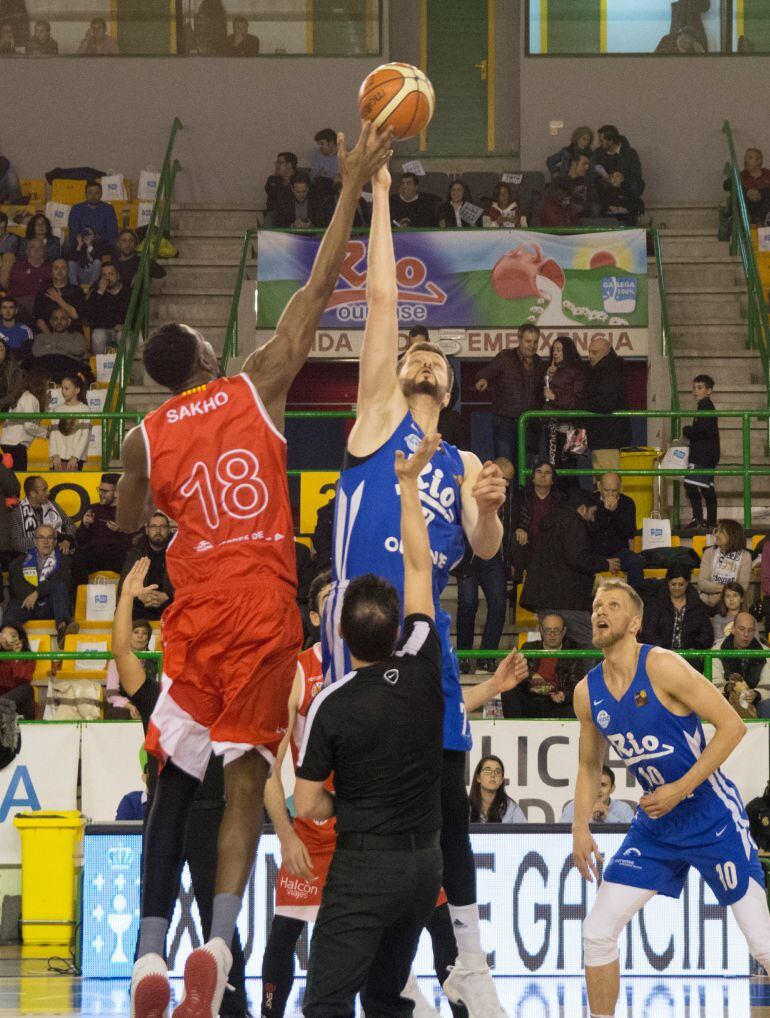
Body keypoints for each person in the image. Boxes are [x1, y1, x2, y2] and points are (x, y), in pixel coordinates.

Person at [120, 122, 393, 1018]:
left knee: (173, 779)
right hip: (267, 604)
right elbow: (320, 287)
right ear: (204, 358)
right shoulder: (255, 382)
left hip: (196, 605)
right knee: (245, 780)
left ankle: (151, 952)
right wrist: (350, 182)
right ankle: (221, 944)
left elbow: (128, 528)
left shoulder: (142, 440)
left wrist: (156, 538)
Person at [322, 161, 513, 1017]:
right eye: (415, 351)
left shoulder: (468, 460)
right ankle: (366, 957)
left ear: (449, 384)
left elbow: (483, 547)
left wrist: (488, 511)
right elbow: (385, 310)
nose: (422, 354)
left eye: (435, 356)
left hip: (424, 640)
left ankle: (461, 965)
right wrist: (383, 202)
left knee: (441, 811)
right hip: (361, 631)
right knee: (363, 806)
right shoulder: (376, 418)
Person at [300, 434, 527, 1017]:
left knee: (327, 997)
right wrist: (408, 484)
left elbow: (307, 804)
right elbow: (420, 566)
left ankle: (457, 963)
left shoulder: (331, 699)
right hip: (416, 868)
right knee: (447, 825)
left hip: (361, 858)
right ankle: (457, 960)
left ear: (342, 634)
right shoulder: (425, 656)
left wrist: (337, 808)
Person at [572, 579, 770, 1018]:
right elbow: (589, 766)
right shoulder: (587, 692)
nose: (600, 611)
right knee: (598, 931)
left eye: (613, 605)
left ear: (635, 622)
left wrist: (680, 789)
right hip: (657, 824)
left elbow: (733, 726)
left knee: (763, 944)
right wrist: (580, 827)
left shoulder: (662, 666)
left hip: (709, 814)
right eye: (596, 605)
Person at [112, 559, 250, 1016]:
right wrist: (126, 601)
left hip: (195, 816)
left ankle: (230, 1004)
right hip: (189, 816)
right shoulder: (161, 700)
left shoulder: (222, 699)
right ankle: (209, 1002)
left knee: (204, 933)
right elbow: (124, 657)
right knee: (204, 933)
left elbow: (124, 658)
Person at [521, 489, 620, 648]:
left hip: (544, 598)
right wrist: (605, 564)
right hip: (567, 599)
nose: (592, 518)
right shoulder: (574, 523)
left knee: (554, 647)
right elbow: (577, 557)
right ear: (582, 509)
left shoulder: (554, 521)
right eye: (592, 513)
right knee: (595, 642)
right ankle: (592, 674)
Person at [474, 324, 546, 467]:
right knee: (504, 466)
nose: (532, 345)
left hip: (530, 425)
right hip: (505, 422)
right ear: (519, 339)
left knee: (526, 469)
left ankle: (522, 491)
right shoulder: (505, 357)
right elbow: (487, 372)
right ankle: (504, 491)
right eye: (528, 341)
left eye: (535, 342)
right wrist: (483, 379)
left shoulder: (541, 365)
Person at [503, 612, 583, 719]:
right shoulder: (528, 648)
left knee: (574, 706)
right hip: (531, 699)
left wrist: (563, 694)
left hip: (556, 703)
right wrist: (531, 676)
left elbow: (576, 684)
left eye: (556, 630)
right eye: (548, 630)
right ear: (541, 630)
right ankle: (513, 730)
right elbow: (515, 674)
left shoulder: (573, 653)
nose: (552, 634)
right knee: (508, 692)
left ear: (564, 631)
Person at [6, 524, 72, 634]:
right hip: (27, 604)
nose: (45, 542)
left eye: (50, 538)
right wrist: (32, 596)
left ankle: (63, 629)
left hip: (51, 607)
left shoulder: (65, 561)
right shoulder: (19, 562)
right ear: (35, 542)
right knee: (13, 608)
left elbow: (62, 581)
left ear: (55, 542)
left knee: (60, 585)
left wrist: (37, 593)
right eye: (41, 537)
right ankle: (8, 641)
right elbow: (17, 585)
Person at [455, 537, 507, 675]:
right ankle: (463, 656)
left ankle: (486, 658)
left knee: (499, 604)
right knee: (468, 603)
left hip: (491, 551)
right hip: (466, 550)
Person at [73, 473, 132, 588]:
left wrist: (120, 531)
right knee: (78, 557)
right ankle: (80, 600)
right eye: (100, 490)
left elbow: (135, 543)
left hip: (117, 556)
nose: (100, 494)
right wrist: (85, 525)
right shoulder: (93, 509)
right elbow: (80, 541)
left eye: (105, 491)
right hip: (94, 556)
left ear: (117, 493)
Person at [583, 336, 631, 474]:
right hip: (608, 435)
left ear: (606, 352)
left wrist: (584, 403)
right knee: (606, 481)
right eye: (589, 352)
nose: (590, 356)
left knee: (607, 481)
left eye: (594, 352)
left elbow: (607, 402)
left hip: (606, 436)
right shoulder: (612, 370)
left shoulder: (606, 373)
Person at [588, 472, 644, 590]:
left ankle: (636, 600)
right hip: (595, 551)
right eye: (607, 490)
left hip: (618, 551)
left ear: (620, 488)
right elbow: (591, 529)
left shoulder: (628, 503)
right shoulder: (590, 501)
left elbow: (628, 532)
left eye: (614, 490)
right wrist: (605, 510)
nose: (610, 494)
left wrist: (615, 512)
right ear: (599, 487)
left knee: (636, 562)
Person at [640, 563, 713, 651]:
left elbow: (707, 633)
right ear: (667, 582)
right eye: (673, 584)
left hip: (690, 657)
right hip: (660, 656)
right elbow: (649, 632)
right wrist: (662, 650)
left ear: (687, 583)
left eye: (681, 584)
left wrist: (696, 647)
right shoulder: (655, 604)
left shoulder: (697, 605)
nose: (677, 588)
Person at [711, 612, 770, 719]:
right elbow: (713, 684)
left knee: (767, 706)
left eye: (750, 630)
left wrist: (757, 694)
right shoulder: (716, 651)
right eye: (741, 629)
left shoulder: (766, 653)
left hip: (756, 701)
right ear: (733, 629)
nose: (746, 634)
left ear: (755, 632)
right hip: (725, 698)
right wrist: (727, 688)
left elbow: (767, 685)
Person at [118, 513, 174, 621]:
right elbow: (123, 588)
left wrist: (169, 597)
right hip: (140, 606)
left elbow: (188, 586)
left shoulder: (179, 552)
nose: (158, 531)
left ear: (169, 530)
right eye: (153, 527)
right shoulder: (136, 552)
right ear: (147, 530)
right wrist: (139, 596)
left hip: (170, 606)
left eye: (162, 527)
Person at [541, 334, 584, 475]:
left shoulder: (576, 372)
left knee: (571, 470)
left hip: (572, 427)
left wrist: (554, 397)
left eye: (559, 349)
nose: (555, 353)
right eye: (553, 349)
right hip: (552, 426)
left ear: (568, 351)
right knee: (554, 469)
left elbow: (577, 401)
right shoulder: (549, 371)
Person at [682, 373, 720, 530]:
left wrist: (687, 430)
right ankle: (710, 522)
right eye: (694, 388)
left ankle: (698, 519)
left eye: (700, 388)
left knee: (690, 484)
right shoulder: (704, 406)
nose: (695, 391)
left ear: (709, 390)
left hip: (703, 454)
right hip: (708, 454)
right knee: (706, 487)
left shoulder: (705, 406)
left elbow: (702, 431)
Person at [9, 475, 75, 554]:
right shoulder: (17, 513)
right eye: (44, 490)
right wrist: (50, 540)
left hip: (59, 553)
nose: (48, 492)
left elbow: (70, 525)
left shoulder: (53, 505)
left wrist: (67, 540)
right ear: (33, 493)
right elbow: (17, 544)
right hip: (31, 557)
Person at [104, 618, 153, 719]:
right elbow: (112, 695)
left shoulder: (156, 661)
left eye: (144, 633)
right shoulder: (116, 661)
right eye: (136, 632)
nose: (140, 636)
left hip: (150, 705)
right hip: (126, 706)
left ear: (147, 639)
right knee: (115, 715)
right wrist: (130, 707)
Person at [698, 518, 752, 609]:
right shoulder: (709, 553)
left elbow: (742, 587)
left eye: (721, 532)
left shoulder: (745, 556)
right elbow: (702, 583)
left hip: (733, 603)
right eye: (716, 531)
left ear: (732, 535)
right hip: (707, 600)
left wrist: (720, 597)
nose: (716, 534)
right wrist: (725, 590)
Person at [1, 370, 49, 470]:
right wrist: (46, 433)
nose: (47, 388)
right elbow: (29, 425)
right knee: (18, 479)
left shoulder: (21, 396)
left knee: (10, 478)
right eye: (46, 384)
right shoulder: (30, 398)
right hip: (16, 445)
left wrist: (46, 403)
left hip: (8, 443)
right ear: (40, 385)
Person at [560, 765, 634, 824]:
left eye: (603, 785)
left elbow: (633, 837)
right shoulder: (573, 808)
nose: (598, 790)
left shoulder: (624, 810)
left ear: (612, 788)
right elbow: (561, 837)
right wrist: (590, 818)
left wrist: (607, 817)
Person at [31, 307, 89, 381]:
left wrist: (52, 346)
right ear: (51, 322)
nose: (59, 322)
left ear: (69, 321)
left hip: (69, 372)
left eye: (62, 318)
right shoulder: (41, 337)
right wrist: (66, 351)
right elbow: (36, 352)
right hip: (46, 371)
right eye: (55, 319)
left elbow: (78, 350)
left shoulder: (77, 336)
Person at [48, 372, 91, 471]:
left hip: (75, 460)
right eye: (62, 388)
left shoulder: (84, 410)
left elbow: (85, 436)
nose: (63, 391)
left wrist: (75, 457)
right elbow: (53, 434)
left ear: (77, 390)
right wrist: (55, 455)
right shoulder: (57, 409)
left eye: (67, 388)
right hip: (58, 458)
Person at [84, 263, 130, 354]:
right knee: (98, 335)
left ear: (118, 275)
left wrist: (123, 326)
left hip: (122, 330)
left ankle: (125, 367)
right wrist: (100, 292)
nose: (107, 277)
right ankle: (100, 367)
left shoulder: (126, 292)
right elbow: (88, 316)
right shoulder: (96, 293)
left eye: (111, 274)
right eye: (104, 275)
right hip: (103, 330)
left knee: (123, 336)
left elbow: (131, 314)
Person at [33, 257, 86, 334]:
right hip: (48, 336)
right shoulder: (43, 292)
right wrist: (52, 338)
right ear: (51, 271)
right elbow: (39, 320)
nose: (59, 270)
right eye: (56, 268)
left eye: (63, 267)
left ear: (68, 270)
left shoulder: (77, 291)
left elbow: (75, 315)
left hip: (72, 336)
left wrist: (58, 299)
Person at [593, 125, 644, 203]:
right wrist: (608, 179)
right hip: (605, 187)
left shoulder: (630, 153)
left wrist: (622, 179)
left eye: (601, 141)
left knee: (635, 186)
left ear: (610, 141)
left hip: (625, 187)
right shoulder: (597, 153)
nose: (599, 143)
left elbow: (636, 175)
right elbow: (593, 174)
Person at [469, 756, 526, 823]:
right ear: (478, 777)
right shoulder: (465, 807)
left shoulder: (512, 809)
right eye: (487, 770)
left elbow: (525, 832)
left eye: (498, 771)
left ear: (501, 780)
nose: (493, 775)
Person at [8, 237, 51, 318]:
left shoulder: (50, 268)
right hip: (21, 303)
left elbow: (50, 289)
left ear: (44, 251)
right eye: (33, 247)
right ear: (27, 251)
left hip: (43, 304)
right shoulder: (18, 267)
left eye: (40, 247)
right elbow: (14, 289)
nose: (36, 250)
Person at [67, 181, 119, 247]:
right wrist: (85, 238)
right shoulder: (76, 209)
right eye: (90, 193)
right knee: (68, 246)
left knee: (115, 243)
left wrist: (96, 238)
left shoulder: (108, 209)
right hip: (81, 243)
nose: (93, 196)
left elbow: (112, 232)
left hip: (103, 243)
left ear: (101, 194)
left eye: (97, 193)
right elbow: (73, 231)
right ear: (85, 194)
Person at [0, 624, 35, 720]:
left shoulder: (27, 656)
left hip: (19, 703)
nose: (8, 639)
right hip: (3, 701)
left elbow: (23, 680)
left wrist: (17, 657)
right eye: (4, 635)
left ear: (20, 639)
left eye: (13, 635)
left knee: (27, 689)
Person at [553, 152, 599, 222]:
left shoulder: (589, 183)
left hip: (584, 220)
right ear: (574, 164)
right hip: (562, 220)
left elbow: (594, 202)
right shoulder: (559, 182)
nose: (587, 167)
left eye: (588, 164)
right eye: (584, 164)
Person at [736, 148, 770, 226]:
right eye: (745, 158)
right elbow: (726, 186)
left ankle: (760, 220)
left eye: (750, 158)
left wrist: (759, 192)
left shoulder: (767, 174)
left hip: (765, 208)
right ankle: (748, 220)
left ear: (759, 160)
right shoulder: (741, 175)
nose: (746, 160)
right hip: (749, 206)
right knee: (740, 191)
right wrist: (748, 191)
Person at [264, 152, 298, 227]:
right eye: (276, 162)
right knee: (270, 218)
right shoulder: (272, 180)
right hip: (275, 213)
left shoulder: (300, 179)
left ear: (289, 165)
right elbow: (273, 195)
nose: (276, 165)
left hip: (295, 212)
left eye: (279, 162)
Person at [0, 211, 19, 289]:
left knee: (9, 256)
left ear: (3, 223)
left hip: (5, 266)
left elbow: (6, 251)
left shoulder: (12, 238)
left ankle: (2, 286)